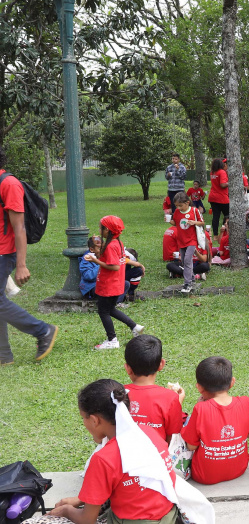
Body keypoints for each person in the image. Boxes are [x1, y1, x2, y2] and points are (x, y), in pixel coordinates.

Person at [48, 379, 181, 524]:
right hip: (168, 517)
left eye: (83, 418)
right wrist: (81, 499)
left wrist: (66, 511)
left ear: (94, 420)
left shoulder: (103, 459)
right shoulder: (149, 432)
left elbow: (87, 520)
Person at [0, 164, 58, 364]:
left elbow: (19, 227)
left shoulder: (8, 183)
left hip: (3, 253)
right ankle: (4, 355)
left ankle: (43, 330)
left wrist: (21, 264)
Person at [182, 356, 249, 485]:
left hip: (204, 476)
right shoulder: (245, 402)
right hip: (239, 469)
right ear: (232, 382)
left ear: (199, 388)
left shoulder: (200, 409)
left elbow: (191, 446)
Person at [83, 216, 144, 350]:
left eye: (101, 228)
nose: (99, 230)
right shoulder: (118, 243)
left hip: (108, 285)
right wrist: (99, 246)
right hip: (116, 284)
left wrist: (95, 261)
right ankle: (134, 326)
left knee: (103, 311)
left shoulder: (110, 246)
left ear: (108, 230)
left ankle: (112, 340)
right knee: (110, 309)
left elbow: (115, 266)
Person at [122, 334, 184, 443]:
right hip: (158, 457)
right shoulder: (170, 398)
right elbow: (172, 439)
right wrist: (177, 403)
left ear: (127, 368)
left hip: (121, 456)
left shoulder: (116, 393)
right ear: (161, 364)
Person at [171, 192, 205, 294]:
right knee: (184, 261)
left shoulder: (194, 211)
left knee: (187, 260)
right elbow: (175, 222)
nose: (178, 208)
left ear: (187, 203)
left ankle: (187, 283)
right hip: (181, 240)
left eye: (180, 205)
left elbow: (202, 222)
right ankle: (192, 279)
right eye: (176, 206)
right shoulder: (177, 212)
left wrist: (194, 222)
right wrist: (169, 220)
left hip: (191, 240)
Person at [209, 158, 230, 233]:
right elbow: (222, 184)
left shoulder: (212, 172)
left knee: (216, 216)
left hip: (212, 197)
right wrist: (231, 182)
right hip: (222, 197)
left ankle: (215, 234)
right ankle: (225, 231)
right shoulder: (222, 172)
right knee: (228, 215)